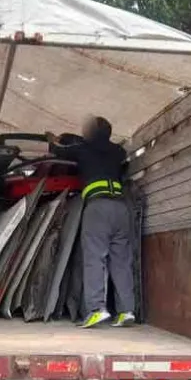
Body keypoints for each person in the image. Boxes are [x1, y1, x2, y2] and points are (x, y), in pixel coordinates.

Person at [47, 117, 134, 328]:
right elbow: (112, 153)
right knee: (121, 262)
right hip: (122, 209)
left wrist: (51, 139)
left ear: (91, 132)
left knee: (95, 258)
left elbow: (58, 151)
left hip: (98, 208)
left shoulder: (81, 149)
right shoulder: (118, 152)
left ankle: (96, 309)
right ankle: (126, 311)